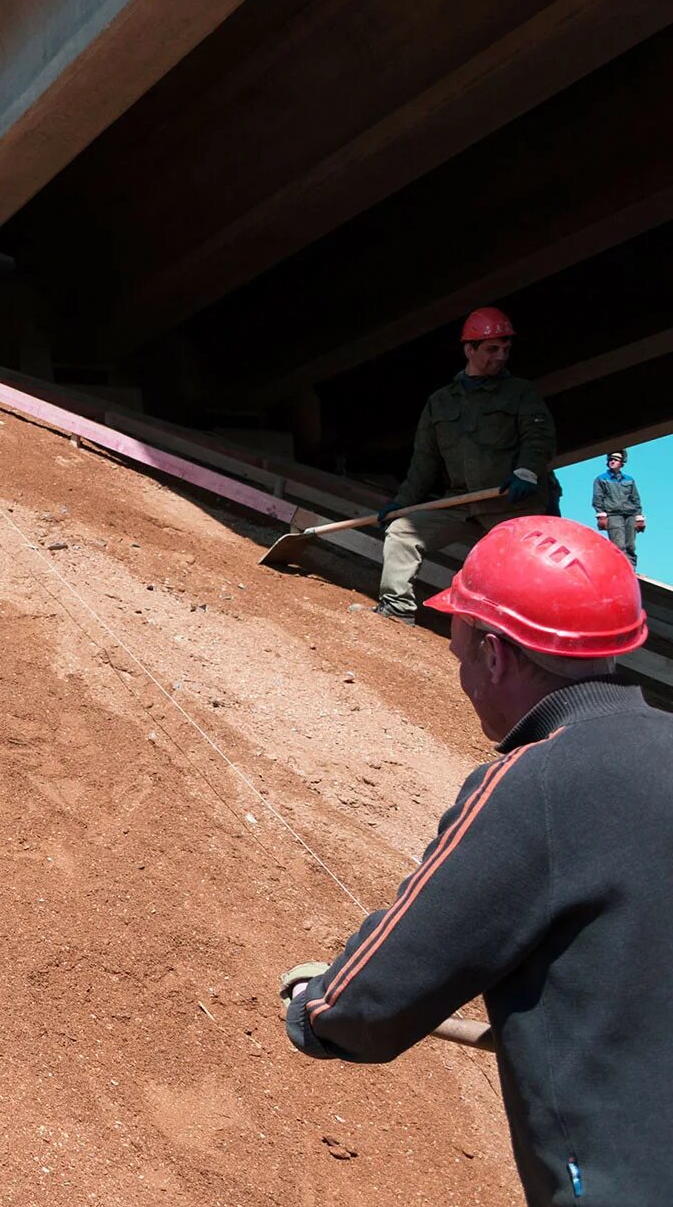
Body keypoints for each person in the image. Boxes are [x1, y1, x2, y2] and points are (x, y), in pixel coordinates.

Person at [280, 516, 664, 1203]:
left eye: (460, 657)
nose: (463, 679)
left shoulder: (540, 781)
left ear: (494, 654)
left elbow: (375, 1001)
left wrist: (319, 1008)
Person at [373, 306, 556, 624]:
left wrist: (525, 471)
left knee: (527, 575)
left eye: (505, 349)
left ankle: (521, 637)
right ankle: (397, 611)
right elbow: (424, 461)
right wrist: (402, 502)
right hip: (464, 503)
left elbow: (538, 439)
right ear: (469, 349)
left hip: (513, 505)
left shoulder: (520, 393)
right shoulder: (440, 402)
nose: (500, 357)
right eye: (492, 349)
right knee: (403, 533)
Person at [591, 448, 644, 567]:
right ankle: (620, 569)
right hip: (613, 515)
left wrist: (639, 517)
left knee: (630, 546)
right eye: (611, 459)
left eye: (616, 459)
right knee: (618, 546)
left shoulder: (629, 480)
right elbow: (597, 498)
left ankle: (631, 571)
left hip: (630, 515)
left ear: (621, 463)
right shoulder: (601, 479)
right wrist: (601, 515)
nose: (612, 461)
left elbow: (635, 499)